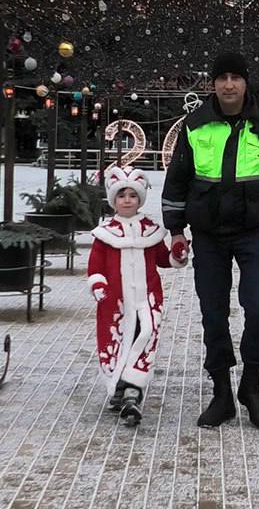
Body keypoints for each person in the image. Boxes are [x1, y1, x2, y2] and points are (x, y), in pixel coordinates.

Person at [161, 51, 259, 430]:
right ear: (213, 84)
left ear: (245, 82)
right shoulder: (195, 125)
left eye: (235, 78)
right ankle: (222, 392)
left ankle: (251, 386)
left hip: (253, 232)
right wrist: (175, 230)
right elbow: (177, 180)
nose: (228, 85)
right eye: (222, 78)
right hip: (208, 235)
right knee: (213, 314)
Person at [86, 165, 188, 426]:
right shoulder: (105, 234)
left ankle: (133, 390)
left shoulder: (150, 231)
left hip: (147, 302)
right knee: (119, 341)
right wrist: (98, 285)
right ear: (113, 200)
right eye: (122, 195)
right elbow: (95, 265)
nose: (127, 200)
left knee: (144, 337)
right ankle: (118, 386)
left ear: (140, 199)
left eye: (133, 195)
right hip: (116, 304)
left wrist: (177, 254)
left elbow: (163, 259)